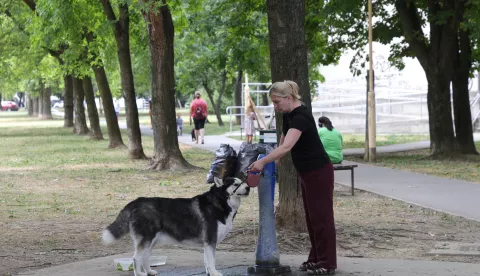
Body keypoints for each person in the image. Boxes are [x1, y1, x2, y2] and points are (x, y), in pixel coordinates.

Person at [249, 81, 336, 275]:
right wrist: (275, 161)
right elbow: (283, 139)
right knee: (312, 218)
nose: (275, 106)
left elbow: (287, 146)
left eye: (277, 102)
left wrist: (263, 162)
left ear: (289, 98)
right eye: (273, 102)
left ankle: (327, 263)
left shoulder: (301, 117)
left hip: (319, 171)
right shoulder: (288, 115)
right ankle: (315, 258)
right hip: (306, 172)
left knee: (322, 218)